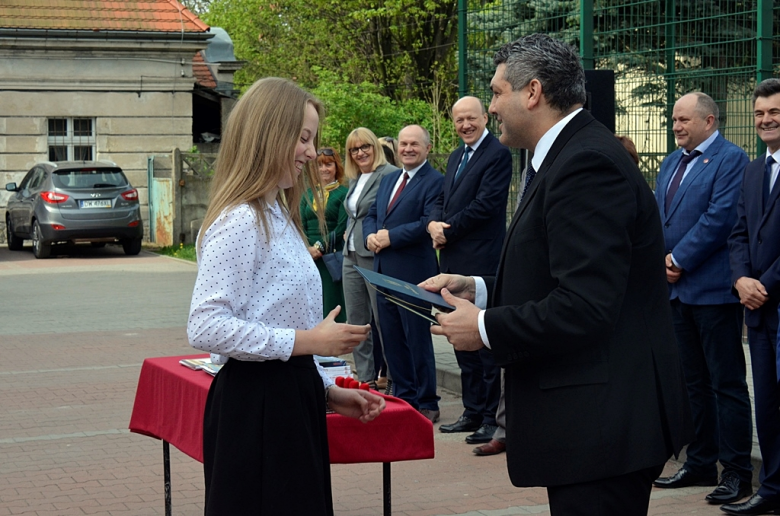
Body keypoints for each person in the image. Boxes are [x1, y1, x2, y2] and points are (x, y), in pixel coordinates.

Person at [420, 34, 692, 515]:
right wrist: (480, 291)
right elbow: (559, 272)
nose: (491, 105)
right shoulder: (564, 156)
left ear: (533, 92)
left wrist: (482, 329)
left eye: (498, 91)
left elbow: (587, 306)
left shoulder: (586, 164)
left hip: (602, 428)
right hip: (590, 426)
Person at [187, 77, 385, 515]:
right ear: (269, 134)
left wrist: (328, 393)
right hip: (255, 410)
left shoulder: (277, 211)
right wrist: (308, 342)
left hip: (289, 401)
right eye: (303, 138)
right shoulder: (241, 219)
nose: (313, 153)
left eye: (312, 140)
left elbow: (278, 315)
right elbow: (205, 325)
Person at [651, 92, 753, 505]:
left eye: (683, 120)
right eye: (674, 119)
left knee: (726, 384)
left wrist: (678, 258)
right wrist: (662, 260)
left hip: (712, 292)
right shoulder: (672, 161)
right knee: (692, 383)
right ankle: (699, 462)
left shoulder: (732, 159)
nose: (676, 126)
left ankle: (736, 472)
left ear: (709, 121)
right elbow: (662, 216)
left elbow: (721, 216)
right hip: (675, 291)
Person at [428, 96, 512, 445]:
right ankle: (472, 410)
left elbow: (486, 206)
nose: (465, 125)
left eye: (471, 119)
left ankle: (492, 418)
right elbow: (441, 198)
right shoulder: (454, 156)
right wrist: (433, 223)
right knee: (459, 341)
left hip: (480, 263)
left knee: (482, 343)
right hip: (451, 260)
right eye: (459, 120)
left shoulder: (498, 154)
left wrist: (446, 229)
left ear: (484, 118)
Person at [724, 77, 780, 516]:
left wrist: (765, 284)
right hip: (759, 312)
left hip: (773, 299)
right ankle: (773, 490)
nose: (765, 119)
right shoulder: (753, 169)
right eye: (760, 113)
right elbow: (739, 233)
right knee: (768, 404)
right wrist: (742, 280)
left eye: (774, 112)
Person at [364, 124, 444, 422]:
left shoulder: (435, 181)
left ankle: (428, 401)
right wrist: (370, 235)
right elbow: (373, 214)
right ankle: (404, 395)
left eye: (414, 144)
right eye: (403, 144)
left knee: (417, 339)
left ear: (427, 147)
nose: (408, 149)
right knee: (392, 338)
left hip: (414, 274)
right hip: (382, 270)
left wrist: (391, 237)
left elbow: (427, 221)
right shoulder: (388, 179)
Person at [342, 128, 400, 388]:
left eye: (364, 146)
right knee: (356, 321)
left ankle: (397, 380)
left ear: (375, 147)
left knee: (382, 318)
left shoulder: (388, 174)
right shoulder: (355, 178)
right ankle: (365, 379)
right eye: (354, 149)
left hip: (374, 254)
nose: (360, 153)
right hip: (349, 255)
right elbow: (354, 213)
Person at [301, 147, 349, 322]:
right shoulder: (306, 194)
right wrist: (307, 249)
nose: (324, 169)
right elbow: (300, 224)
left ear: (336, 167)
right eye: (319, 165)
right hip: (308, 256)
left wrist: (319, 247)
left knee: (331, 298)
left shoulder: (344, 194)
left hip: (331, 255)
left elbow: (341, 227)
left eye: (328, 164)